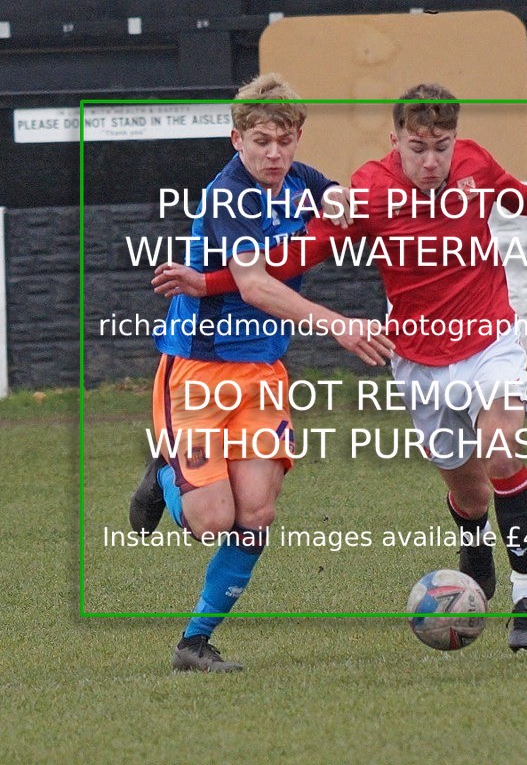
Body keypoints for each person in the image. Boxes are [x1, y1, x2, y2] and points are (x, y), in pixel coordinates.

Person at [151, 83, 527, 653]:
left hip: (488, 341)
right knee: (469, 492)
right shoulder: (368, 189)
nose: (432, 162)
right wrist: (211, 282)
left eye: (442, 147)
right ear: (395, 141)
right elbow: (292, 258)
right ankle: (474, 543)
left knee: (501, 450)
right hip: (413, 361)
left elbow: (518, 196)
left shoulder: (471, 165)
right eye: (417, 148)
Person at [130, 73, 393, 672]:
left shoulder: (298, 177)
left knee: (257, 514)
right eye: (261, 142)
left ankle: (194, 642)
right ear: (235, 140)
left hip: (263, 373)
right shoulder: (228, 198)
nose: (274, 155)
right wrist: (339, 325)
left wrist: (339, 200)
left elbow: (332, 197)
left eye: (285, 141)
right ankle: (164, 474)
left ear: (297, 137)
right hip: (196, 372)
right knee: (211, 520)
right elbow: (255, 286)